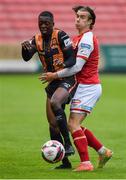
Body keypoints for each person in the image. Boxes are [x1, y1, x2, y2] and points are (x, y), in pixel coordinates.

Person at [39, 6, 113, 171]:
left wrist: (54, 75)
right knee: (73, 124)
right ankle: (103, 151)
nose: (78, 19)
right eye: (77, 16)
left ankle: (86, 163)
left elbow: (77, 67)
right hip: (81, 86)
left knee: (72, 124)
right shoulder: (78, 38)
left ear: (90, 21)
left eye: (83, 17)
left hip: (88, 86)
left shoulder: (87, 39)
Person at [21, 11, 78, 169]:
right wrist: (25, 49)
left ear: (53, 23)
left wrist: (62, 66)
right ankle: (65, 162)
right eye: (41, 23)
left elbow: (72, 59)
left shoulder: (61, 35)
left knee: (55, 102)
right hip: (52, 83)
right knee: (52, 124)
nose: (44, 25)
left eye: (47, 23)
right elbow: (26, 57)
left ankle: (68, 144)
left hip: (66, 79)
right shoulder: (36, 39)